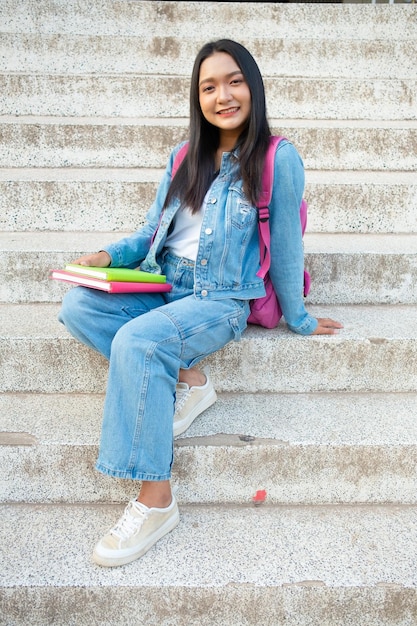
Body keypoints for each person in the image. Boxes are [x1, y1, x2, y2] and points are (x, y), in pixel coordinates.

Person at [58, 39, 343, 568]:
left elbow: (285, 242)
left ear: (252, 86)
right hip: (166, 283)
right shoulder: (184, 155)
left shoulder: (278, 158)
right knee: (79, 307)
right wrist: (106, 255)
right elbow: (151, 231)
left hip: (221, 298)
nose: (223, 95)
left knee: (139, 341)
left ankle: (155, 499)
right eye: (209, 86)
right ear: (198, 97)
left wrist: (299, 317)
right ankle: (189, 381)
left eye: (234, 81)